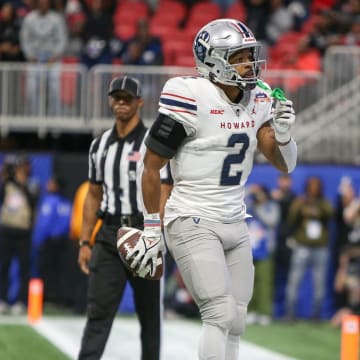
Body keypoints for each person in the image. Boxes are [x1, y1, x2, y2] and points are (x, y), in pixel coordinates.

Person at [126, 18, 297, 360]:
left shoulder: (258, 98)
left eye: (250, 54)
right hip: (192, 217)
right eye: (239, 56)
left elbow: (286, 164)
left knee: (235, 319)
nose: (250, 63)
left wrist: (283, 134)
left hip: (235, 219)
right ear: (214, 60)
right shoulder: (190, 95)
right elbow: (151, 165)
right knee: (218, 313)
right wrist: (150, 227)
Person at [77, 76, 161, 360]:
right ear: (110, 101)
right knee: (98, 313)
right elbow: (93, 195)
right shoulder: (99, 145)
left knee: (149, 317)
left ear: (140, 102)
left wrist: (156, 234)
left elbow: (167, 189)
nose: (122, 103)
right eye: (117, 98)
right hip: (109, 233)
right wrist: (85, 242)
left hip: (143, 232)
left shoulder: (154, 143)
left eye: (128, 98)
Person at [284, 176, 334, 322]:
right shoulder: (300, 201)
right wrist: (300, 206)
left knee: (319, 284)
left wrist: (317, 207)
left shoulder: (324, 202)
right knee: (294, 281)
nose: (313, 189)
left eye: (316, 186)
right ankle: (289, 314)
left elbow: (331, 214)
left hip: (320, 248)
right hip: (302, 246)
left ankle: (316, 315)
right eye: (311, 186)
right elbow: (291, 218)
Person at [0, 154, 38, 315]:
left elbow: (33, 200)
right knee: (4, 266)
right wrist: (6, 177)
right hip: (7, 229)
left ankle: (21, 301)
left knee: (24, 268)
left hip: (23, 231)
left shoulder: (32, 184)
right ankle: (2, 299)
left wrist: (21, 183)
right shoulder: (7, 184)